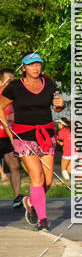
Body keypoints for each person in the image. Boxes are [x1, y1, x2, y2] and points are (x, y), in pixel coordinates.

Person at [0, 53, 64, 231]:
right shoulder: (14, 87)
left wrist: (60, 105)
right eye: (31, 65)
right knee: (37, 176)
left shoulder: (48, 84)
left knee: (48, 180)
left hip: (46, 135)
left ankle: (30, 201)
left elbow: (56, 106)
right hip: (24, 136)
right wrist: (9, 131)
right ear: (24, 68)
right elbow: (0, 106)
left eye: (38, 64)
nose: (35, 68)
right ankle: (43, 220)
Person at [0, 68, 23, 208]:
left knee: (15, 166)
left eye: (13, 81)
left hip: (9, 137)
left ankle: (17, 198)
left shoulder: (14, 96)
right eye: (9, 81)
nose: (12, 84)